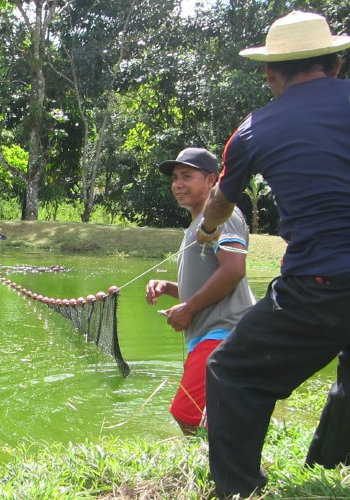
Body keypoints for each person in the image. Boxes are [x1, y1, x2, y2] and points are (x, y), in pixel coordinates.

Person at [194, 11, 350, 498]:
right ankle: (331, 464)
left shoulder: (252, 130)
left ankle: (239, 488)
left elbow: (221, 199)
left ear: (270, 73)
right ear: (336, 64)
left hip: (319, 286)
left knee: (230, 372)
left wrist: (207, 229)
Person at [146, 148, 256, 436]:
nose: (178, 184)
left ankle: (211, 466)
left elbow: (233, 270)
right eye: (174, 178)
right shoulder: (196, 225)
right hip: (208, 334)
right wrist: (169, 289)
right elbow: (209, 280)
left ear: (210, 181)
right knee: (206, 413)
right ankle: (220, 461)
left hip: (224, 332)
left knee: (186, 413)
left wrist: (189, 308)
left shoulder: (222, 214)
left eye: (187, 176)